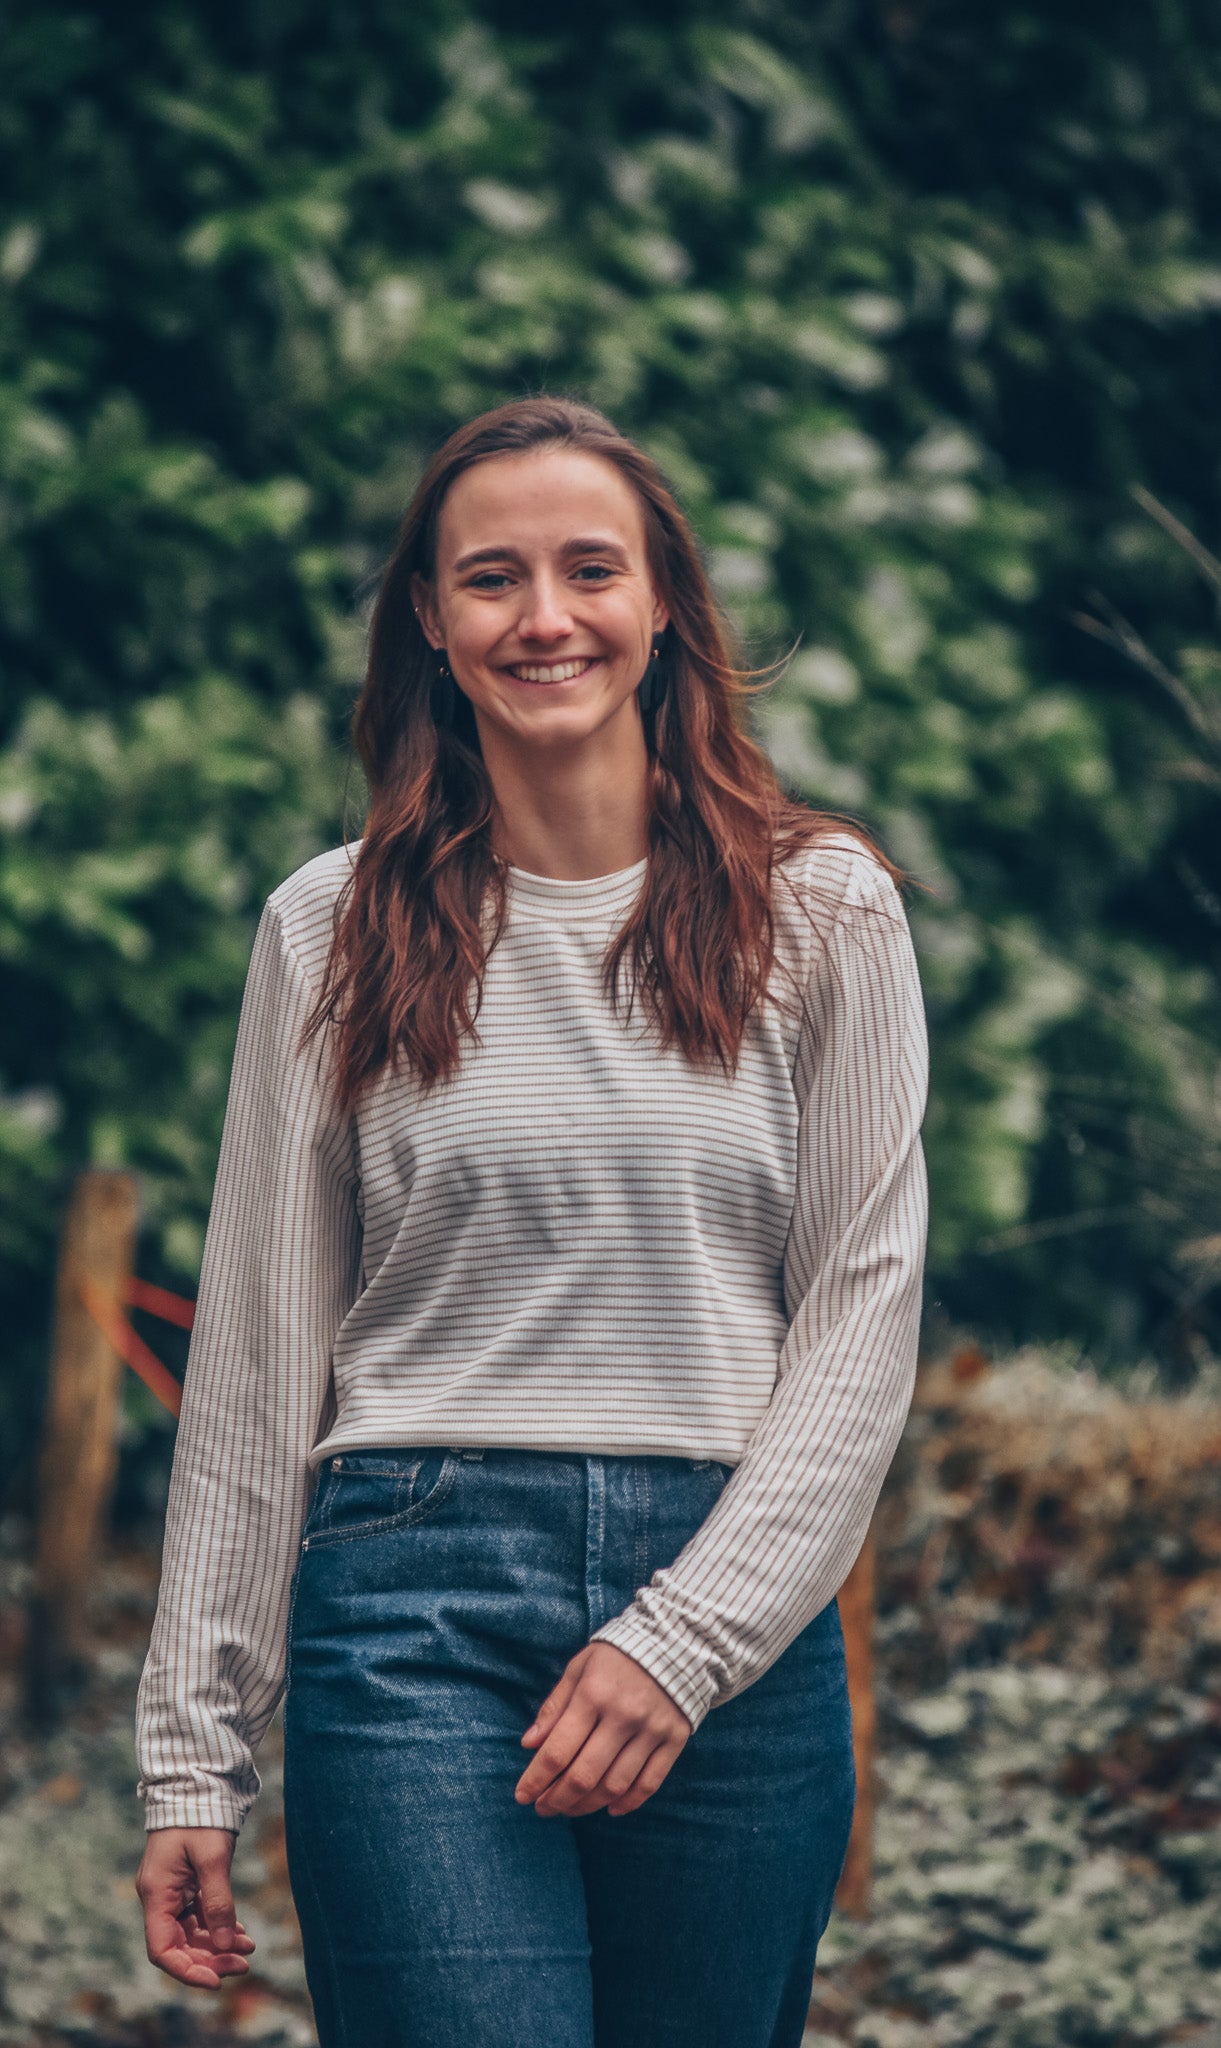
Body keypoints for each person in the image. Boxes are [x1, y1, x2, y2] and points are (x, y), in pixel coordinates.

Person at [133, 396, 929, 2048]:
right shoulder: (328, 928)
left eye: (589, 571)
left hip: (734, 1621)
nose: (544, 617)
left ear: (660, 610)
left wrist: (682, 1645)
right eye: (490, 578)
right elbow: (260, 1368)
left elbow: (858, 1331)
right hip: (413, 1612)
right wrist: (191, 1748)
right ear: (430, 620)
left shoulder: (824, 910)